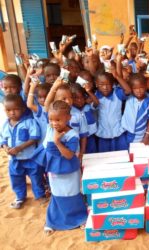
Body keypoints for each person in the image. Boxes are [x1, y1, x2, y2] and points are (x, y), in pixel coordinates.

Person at [41, 100, 87, 235]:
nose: (54, 123)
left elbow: (68, 155)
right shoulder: (50, 128)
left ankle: (79, 219)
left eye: (58, 120)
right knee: (57, 194)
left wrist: (57, 142)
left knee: (72, 194)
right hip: (54, 169)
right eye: (51, 119)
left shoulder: (73, 135)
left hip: (70, 170)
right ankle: (52, 221)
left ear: (68, 118)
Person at [1, 94, 47, 209]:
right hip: (14, 160)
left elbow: (34, 137)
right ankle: (20, 196)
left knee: (36, 177)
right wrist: (6, 147)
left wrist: (20, 148)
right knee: (16, 178)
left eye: (15, 109)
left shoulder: (29, 122)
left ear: (22, 109)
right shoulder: (5, 125)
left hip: (30, 157)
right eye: (8, 110)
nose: (12, 113)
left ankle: (40, 195)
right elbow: (3, 139)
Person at [44, 79, 89, 159]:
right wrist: (53, 88)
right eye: (64, 99)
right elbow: (46, 104)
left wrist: (81, 154)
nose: (68, 101)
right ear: (55, 100)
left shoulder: (79, 115)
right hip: (53, 153)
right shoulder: (52, 112)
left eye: (70, 97)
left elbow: (83, 136)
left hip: (72, 152)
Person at [94, 71, 131, 152]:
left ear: (113, 84)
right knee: (105, 157)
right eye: (101, 84)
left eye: (108, 84)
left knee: (122, 155)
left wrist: (117, 77)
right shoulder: (95, 96)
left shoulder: (117, 93)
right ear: (96, 84)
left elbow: (128, 90)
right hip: (103, 133)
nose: (105, 87)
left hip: (118, 131)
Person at [121, 73, 149, 146]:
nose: (138, 90)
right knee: (126, 152)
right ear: (131, 89)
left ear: (146, 87)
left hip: (140, 134)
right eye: (135, 88)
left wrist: (147, 135)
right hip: (125, 131)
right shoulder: (129, 97)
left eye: (141, 87)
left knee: (136, 152)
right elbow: (124, 85)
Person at [70, 83, 99, 153]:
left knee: (92, 155)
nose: (79, 100)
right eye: (76, 98)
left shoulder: (87, 107)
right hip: (79, 138)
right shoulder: (71, 110)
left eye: (81, 97)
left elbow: (96, 103)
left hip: (90, 136)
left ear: (85, 97)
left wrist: (88, 91)